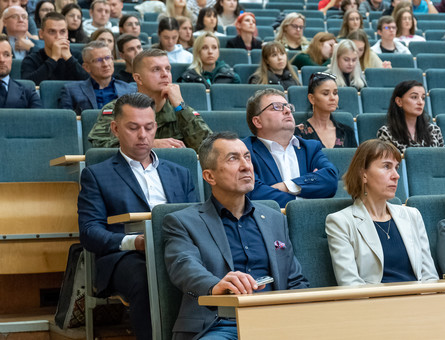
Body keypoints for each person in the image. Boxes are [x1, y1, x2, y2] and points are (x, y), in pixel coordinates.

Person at [162, 131, 309, 340]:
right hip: (218, 325)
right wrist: (215, 285)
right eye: (233, 158)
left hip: (275, 322)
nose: (246, 166)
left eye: (247, 157)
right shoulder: (182, 221)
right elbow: (184, 266)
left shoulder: (275, 218)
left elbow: (295, 280)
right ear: (209, 176)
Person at [78, 92, 200, 340]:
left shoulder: (180, 173)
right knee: (146, 280)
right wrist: (135, 242)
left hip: (179, 250)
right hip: (126, 257)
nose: (143, 136)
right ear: (115, 129)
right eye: (133, 128)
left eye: (149, 127)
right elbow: (90, 231)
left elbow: (197, 218)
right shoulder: (97, 175)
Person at [325, 139, 438, 286]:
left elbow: (430, 276)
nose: (396, 175)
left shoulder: (412, 215)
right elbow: (350, 284)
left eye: (396, 168)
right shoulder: (340, 222)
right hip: (374, 305)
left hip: (419, 301)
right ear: (363, 174)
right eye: (386, 166)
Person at [88, 49, 212, 149]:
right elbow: (100, 147)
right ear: (138, 78)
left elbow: (209, 148)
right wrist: (151, 144)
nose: (165, 74)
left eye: (167, 69)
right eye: (156, 69)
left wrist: (181, 106)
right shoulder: (117, 110)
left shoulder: (180, 109)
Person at [241, 88, 339, 207]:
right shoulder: (244, 151)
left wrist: (286, 186)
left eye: (288, 106)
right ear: (258, 121)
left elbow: (330, 180)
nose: (287, 111)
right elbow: (253, 194)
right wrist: (308, 194)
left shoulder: (310, 148)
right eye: (276, 107)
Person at [59, 41, 136, 114]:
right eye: (98, 60)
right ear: (86, 67)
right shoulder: (71, 90)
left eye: (108, 58)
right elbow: (66, 122)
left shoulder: (130, 90)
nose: (105, 64)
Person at [377, 80, 443, 153]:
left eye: (423, 98)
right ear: (399, 101)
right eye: (414, 97)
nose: (420, 102)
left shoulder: (434, 130)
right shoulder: (387, 133)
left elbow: (442, 160)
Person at [21, 12, 87, 85]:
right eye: (52, 32)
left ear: (67, 34)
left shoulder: (78, 57)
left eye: (62, 31)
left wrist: (69, 59)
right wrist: (53, 59)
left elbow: (91, 83)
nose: (58, 37)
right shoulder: (31, 59)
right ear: (41, 34)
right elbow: (28, 84)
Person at [296, 72, 357, 148]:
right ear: (312, 98)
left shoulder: (347, 131)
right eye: (325, 93)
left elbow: (356, 159)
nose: (332, 98)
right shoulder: (298, 132)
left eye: (335, 93)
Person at [0, 34, 40, 108]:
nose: (2, 60)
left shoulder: (28, 92)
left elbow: (40, 118)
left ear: (11, 59)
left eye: (6, 55)